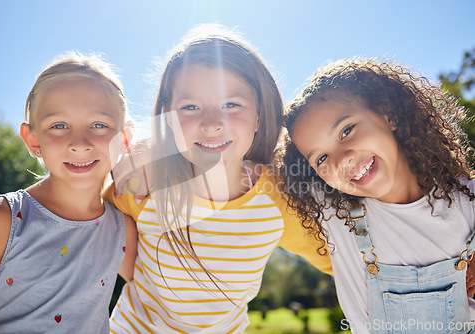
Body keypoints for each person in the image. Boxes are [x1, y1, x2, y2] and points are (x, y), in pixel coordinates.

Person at [105, 24, 332, 333]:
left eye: (231, 105)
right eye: (190, 107)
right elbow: (89, 225)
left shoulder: (279, 197)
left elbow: (342, 262)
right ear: (167, 116)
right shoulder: (144, 183)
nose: (211, 123)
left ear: (258, 115)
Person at [280, 57, 475, 333]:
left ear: (388, 114)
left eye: (346, 130)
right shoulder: (333, 215)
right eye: (321, 158)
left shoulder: (469, 203)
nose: (343, 160)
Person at [0, 52, 137, 333]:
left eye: (99, 125)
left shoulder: (122, 228)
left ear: (123, 140)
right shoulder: (3, 219)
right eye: (59, 125)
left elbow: (163, 288)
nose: (79, 143)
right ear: (32, 140)